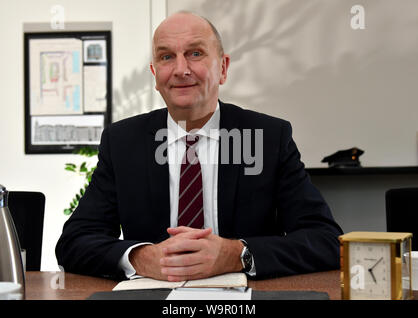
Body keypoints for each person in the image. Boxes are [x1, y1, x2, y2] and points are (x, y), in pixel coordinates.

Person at [55, 11, 343, 281]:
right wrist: (141, 257)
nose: (181, 69)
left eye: (195, 53)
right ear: (155, 75)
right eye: (167, 57)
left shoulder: (267, 136)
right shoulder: (123, 142)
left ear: (223, 68)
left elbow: (326, 240)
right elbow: (75, 242)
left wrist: (237, 254)